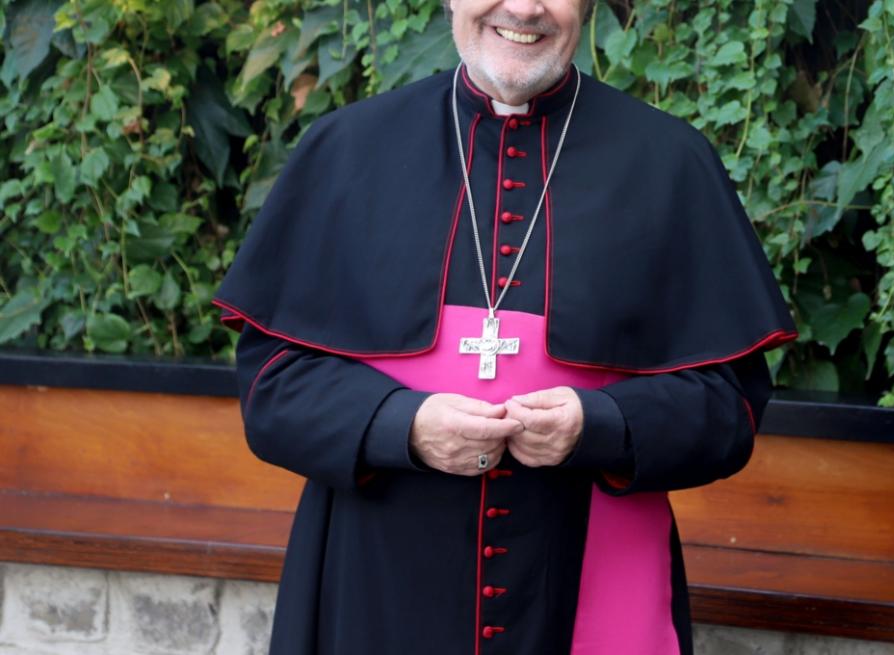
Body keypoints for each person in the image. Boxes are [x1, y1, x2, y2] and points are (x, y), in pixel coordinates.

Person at [212, 0, 796, 652]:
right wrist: (401, 427)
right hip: (375, 594)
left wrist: (599, 426)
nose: (523, 8)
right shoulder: (349, 150)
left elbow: (731, 407)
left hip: (590, 579)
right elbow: (271, 386)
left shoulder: (670, 163)